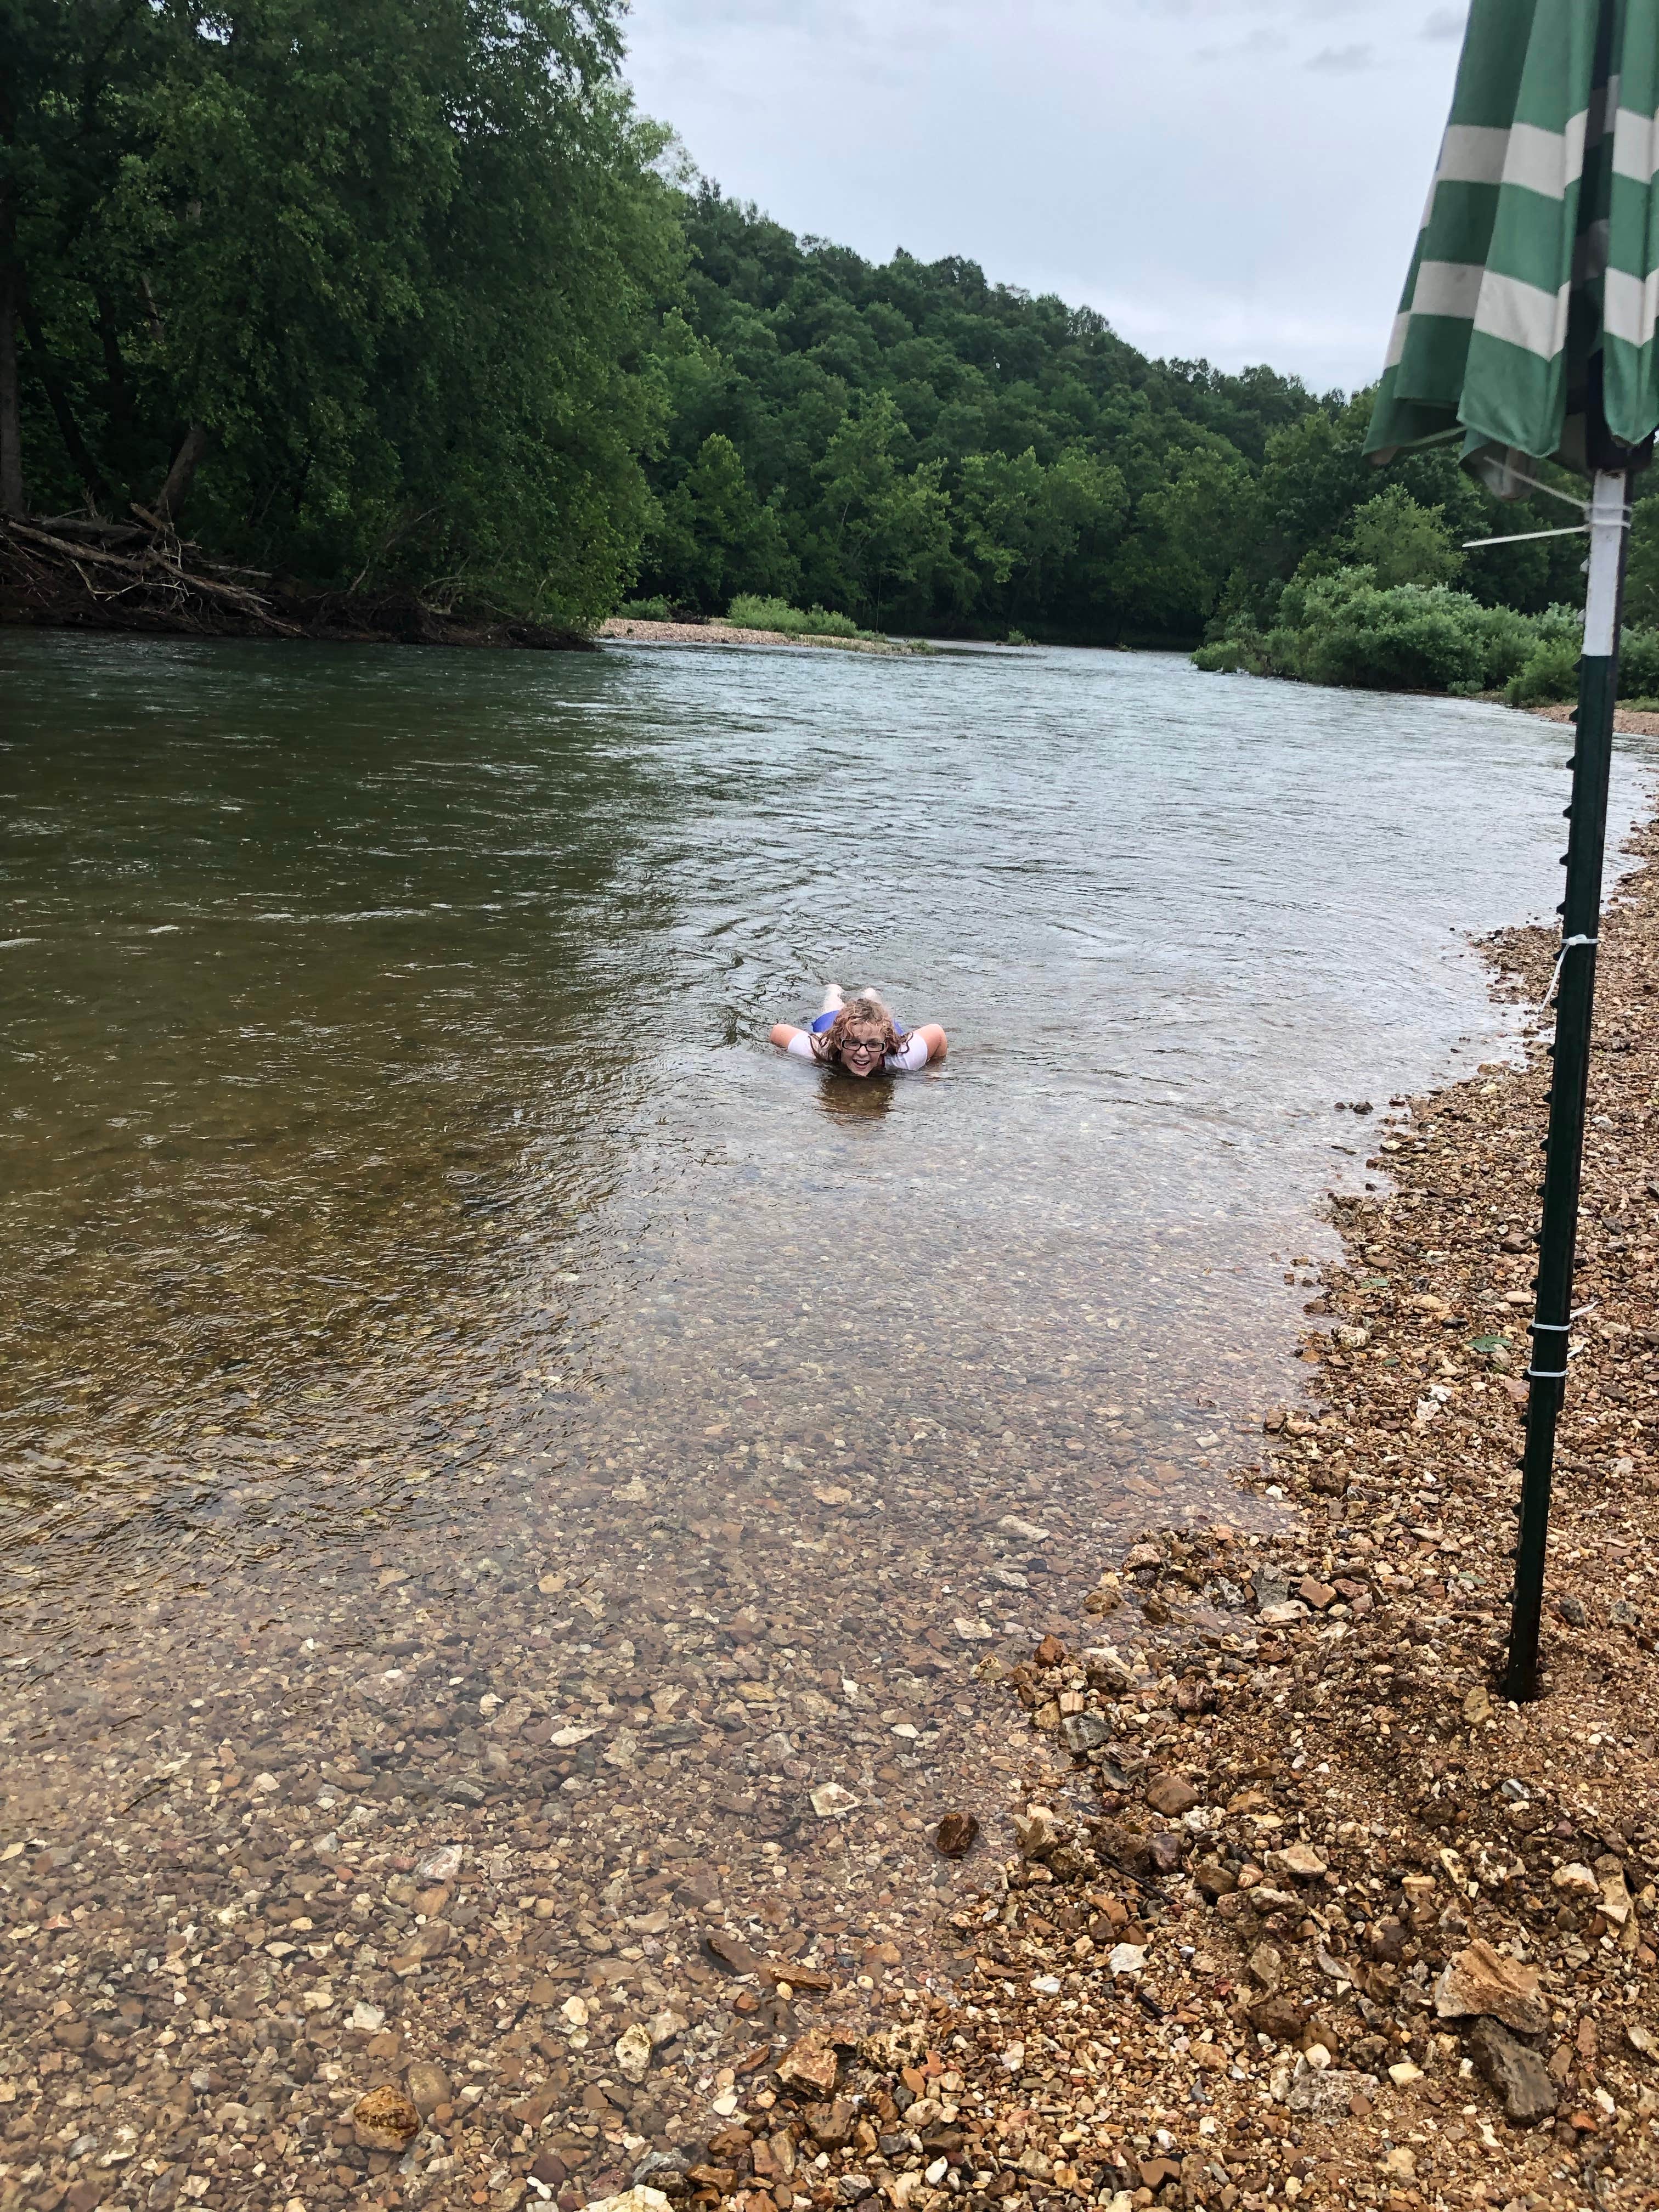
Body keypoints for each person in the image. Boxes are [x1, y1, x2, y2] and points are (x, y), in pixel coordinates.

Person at [770, 984, 947, 1079]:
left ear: (885, 1046)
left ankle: (870, 994)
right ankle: (834, 991)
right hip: (833, 1021)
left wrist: (933, 1073)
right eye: (853, 1043)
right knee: (832, 1008)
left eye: (873, 1045)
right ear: (839, 1043)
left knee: (876, 1009)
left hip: (880, 1027)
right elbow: (778, 1032)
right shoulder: (821, 1048)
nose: (862, 1053)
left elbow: (937, 1033)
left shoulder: (904, 1057)